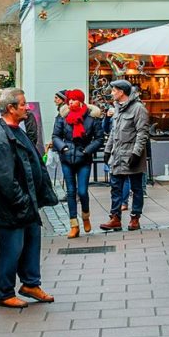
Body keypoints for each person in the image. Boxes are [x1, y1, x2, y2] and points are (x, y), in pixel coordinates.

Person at [0, 87, 59, 309]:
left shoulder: (17, 129)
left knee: (32, 243)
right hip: (13, 206)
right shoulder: (2, 135)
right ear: (11, 108)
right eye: (23, 104)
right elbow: (3, 175)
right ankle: (5, 292)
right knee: (12, 249)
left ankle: (30, 284)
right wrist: (21, 199)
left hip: (26, 202)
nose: (27, 107)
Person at [52, 89, 104, 238]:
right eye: (69, 100)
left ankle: (85, 215)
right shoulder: (62, 116)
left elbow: (99, 139)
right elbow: (56, 136)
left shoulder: (92, 117)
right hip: (67, 158)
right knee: (70, 192)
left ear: (80, 101)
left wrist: (87, 151)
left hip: (84, 158)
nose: (70, 102)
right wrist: (63, 147)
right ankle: (74, 225)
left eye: (73, 100)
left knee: (82, 191)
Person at [100, 79, 149, 231]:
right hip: (117, 155)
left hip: (131, 155)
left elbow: (142, 133)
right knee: (115, 187)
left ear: (121, 92)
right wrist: (107, 150)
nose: (112, 93)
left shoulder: (138, 108)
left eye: (114, 90)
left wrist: (136, 153)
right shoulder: (117, 108)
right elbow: (114, 132)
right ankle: (115, 217)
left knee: (136, 188)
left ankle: (135, 218)